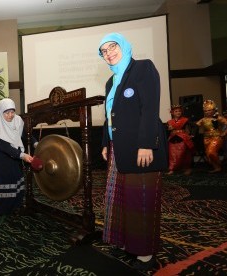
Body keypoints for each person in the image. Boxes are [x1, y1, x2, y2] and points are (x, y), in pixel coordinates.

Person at [98, 33, 168, 271]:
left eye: (112, 46)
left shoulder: (143, 69)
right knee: (122, 200)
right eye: (103, 51)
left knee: (141, 200)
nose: (109, 53)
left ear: (124, 45)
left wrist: (147, 143)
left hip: (141, 147)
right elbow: (109, 115)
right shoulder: (111, 82)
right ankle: (129, 242)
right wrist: (106, 143)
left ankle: (145, 253)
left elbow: (150, 107)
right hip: (119, 148)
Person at [0, 98, 33, 215]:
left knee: (16, 177)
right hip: (2, 158)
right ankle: (2, 209)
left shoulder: (17, 121)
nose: (10, 115)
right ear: (1, 113)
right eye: (7, 113)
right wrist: (22, 155)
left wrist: (35, 143)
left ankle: (16, 205)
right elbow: (5, 147)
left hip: (15, 156)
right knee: (6, 180)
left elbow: (25, 134)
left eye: (12, 112)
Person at [195, 100, 227, 173]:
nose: (207, 112)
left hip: (217, 137)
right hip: (206, 138)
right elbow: (194, 126)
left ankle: (220, 164)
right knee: (208, 155)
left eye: (209, 110)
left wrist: (224, 132)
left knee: (211, 152)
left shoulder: (218, 118)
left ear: (213, 110)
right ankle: (217, 168)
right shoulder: (203, 119)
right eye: (206, 111)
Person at [167, 104, 194, 175]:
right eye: (176, 111)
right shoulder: (170, 122)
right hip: (173, 139)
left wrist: (192, 134)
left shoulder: (185, 120)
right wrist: (169, 130)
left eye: (179, 111)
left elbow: (194, 126)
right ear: (172, 113)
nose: (178, 112)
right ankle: (172, 169)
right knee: (172, 155)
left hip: (182, 138)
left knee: (183, 154)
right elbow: (168, 131)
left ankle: (187, 168)